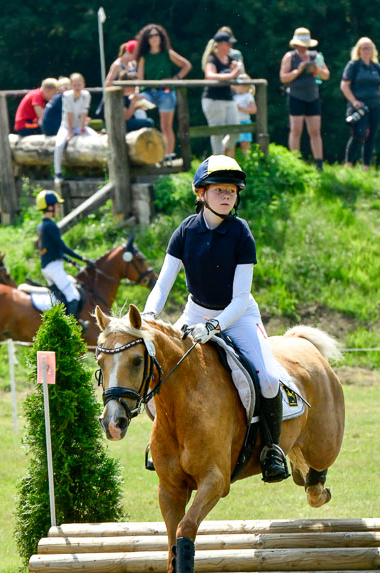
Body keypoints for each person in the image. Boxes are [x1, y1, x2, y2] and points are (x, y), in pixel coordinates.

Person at [142, 155, 290, 484]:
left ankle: (272, 449)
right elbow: (163, 285)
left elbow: (240, 298)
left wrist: (213, 327)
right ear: (201, 193)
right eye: (219, 189)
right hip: (195, 311)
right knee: (158, 366)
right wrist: (150, 316)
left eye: (232, 191)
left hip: (238, 315)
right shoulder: (185, 231)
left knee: (268, 379)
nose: (227, 195)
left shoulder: (241, 233)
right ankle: (160, 440)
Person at [136, 24, 192, 158]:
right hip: (148, 92)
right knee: (136, 109)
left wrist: (175, 78)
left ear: (161, 37)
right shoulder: (144, 56)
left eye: (156, 35)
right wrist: (136, 94)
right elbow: (139, 79)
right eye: (150, 36)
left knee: (166, 126)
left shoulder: (167, 53)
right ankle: (141, 150)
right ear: (147, 39)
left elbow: (186, 65)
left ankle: (168, 156)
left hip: (165, 92)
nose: (154, 38)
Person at [35, 190, 90, 326]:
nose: (58, 208)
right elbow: (63, 247)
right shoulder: (51, 225)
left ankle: (62, 322)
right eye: (56, 205)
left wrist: (70, 261)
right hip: (54, 268)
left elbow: (55, 251)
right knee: (73, 296)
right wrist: (82, 258)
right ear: (49, 207)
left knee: (61, 297)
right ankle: (70, 328)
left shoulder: (41, 226)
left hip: (46, 268)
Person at [279, 27, 330, 171]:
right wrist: (299, 70)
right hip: (296, 97)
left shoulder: (316, 56)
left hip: (313, 97)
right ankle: (296, 162)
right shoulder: (290, 57)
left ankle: (319, 163)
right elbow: (283, 77)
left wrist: (316, 69)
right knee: (296, 130)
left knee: (315, 131)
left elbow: (326, 75)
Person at [340, 37, 380, 170]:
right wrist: (354, 101)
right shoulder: (354, 65)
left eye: (369, 48)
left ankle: (366, 166)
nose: (367, 51)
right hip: (359, 106)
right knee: (358, 134)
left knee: (371, 136)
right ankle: (348, 164)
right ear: (359, 50)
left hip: (375, 105)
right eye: (364, 48)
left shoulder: (376, 66)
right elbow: (344, 85)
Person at [201, 29, 243, 156]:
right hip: (213, 99)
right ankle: (217, 159)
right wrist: (231, 74)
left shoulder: (230, 59)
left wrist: (236, 71)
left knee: (236, 131)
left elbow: (235, 79)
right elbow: (209, 75)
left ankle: (223, 148)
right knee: (217, 133)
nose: (230, 46)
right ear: (220, 44)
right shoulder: (211, 59)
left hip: (228, 98)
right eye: (228, 43)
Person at [53, 72, 96, 183]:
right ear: (71, 85)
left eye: (79, 84)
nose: (77, 87)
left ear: (83, 84)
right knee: (59, 145)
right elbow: (69, 114)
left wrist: (82, 129)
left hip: (80, 125)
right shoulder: (67, 96)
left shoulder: (86, 95)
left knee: (96, 138)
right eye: (75, 85)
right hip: (66, 127)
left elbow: (84, 112)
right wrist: (70, 132)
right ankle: (58, 173)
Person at [232, 74, 257, 154]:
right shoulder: (234, 96)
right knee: (232, 144)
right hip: (235, 122)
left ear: (245, 86)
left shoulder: (248, 96)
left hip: (245, 122)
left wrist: (240, 108)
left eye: (237, 85)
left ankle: (247, 160)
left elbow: (253, 110)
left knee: (245, 145)